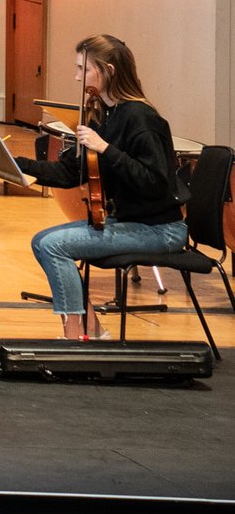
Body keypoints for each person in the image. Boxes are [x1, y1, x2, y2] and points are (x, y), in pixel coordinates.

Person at [15, 34, 186, 339]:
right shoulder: (104, 114)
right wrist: (17, 165)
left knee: (55, 245)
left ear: (108, 70)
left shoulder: (140, 118)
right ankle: (92, 330)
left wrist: (106, 149)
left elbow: (157, 183)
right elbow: (71, 174)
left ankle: (75, 335)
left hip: (160, 229)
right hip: (131, 222)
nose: (77, 77)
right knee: (42, 240)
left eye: (84, 69)